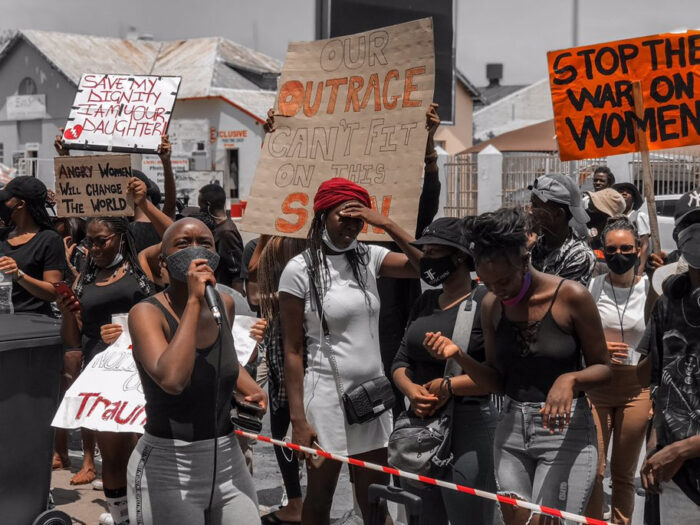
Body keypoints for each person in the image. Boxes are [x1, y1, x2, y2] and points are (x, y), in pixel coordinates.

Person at [424, 207, 612, 525]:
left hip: (565, 433)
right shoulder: (491, 306)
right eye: (487, 282)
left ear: (524, 261)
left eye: (505, 280)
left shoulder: (572, 297)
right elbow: (498, 381)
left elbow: (604, 369)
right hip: (510, 433)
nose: (498, 290)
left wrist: (569, 380)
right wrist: (459, 356)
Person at [279, 178, 422, 525]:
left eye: (359, 219)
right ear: (322, 215)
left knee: (374, 498)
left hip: (370, 397)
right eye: (344, 217)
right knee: (321, 495)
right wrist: (298, 419)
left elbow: (427, 267)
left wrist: (385, 223)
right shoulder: (299, 270)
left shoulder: (370, 257)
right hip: (325, 398)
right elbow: (293, 350)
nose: (352, 227)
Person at [126, 218, 265, 525]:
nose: (196, 250)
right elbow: (172, 379)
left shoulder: (224, 304)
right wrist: (193, 300)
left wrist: (251, 391)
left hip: (227, 458)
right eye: (183, 244)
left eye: (205, 243)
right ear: (164, 263)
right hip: (168, 466)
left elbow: (221, 359)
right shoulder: (146, 313)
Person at [56, 178, 169, 525]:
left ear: (122, 236)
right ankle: (121, 517)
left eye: (102, 240)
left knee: (144, 453)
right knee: (113, 457)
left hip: (143, 373)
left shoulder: (143, 267)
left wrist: (144, 205)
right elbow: (73, 336)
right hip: (103, 377)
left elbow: (174, 236)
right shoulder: (83, 280)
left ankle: (148, 515)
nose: (95, 248)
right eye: (89, 242)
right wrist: (67, 311)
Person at [391, 217, 498, 525]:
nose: (426, 261)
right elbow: (400, 363)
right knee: (423, 517)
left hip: (468, 424)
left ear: (461, 257)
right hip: (421, 424)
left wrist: (448, 386)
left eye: (435, 252)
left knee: (469, 516)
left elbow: (494, 378)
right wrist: (412, 391)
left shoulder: (485, 303)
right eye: (424, 252)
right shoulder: (425, 300)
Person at [584, 217, 652, 524]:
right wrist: (600, 348)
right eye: (612, 249)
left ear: (639, 249)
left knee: (623, 474)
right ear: (602, 251)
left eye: (627, 248)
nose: (620, 255)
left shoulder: (652, 290)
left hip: (636, 389)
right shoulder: (592, 286)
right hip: (598, 386)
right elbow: (580, 335)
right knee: (594, 472)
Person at [639, 194, 700, 523]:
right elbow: (660, 384)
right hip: (673, 477)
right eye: (691, 225)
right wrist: (655, 446)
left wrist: (682, 449)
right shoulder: (669, 303)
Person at [258, 236, 308, 525]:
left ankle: (305, 503)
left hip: (305, 353)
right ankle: (296, 501)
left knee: (311, 433)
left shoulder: (318, 250)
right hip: (280, 350)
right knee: (281, 432)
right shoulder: (275, 245)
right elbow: (255, 274)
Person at [0, 176, 65, 315]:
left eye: (6, 199)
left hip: (31, 323)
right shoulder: (2, 235)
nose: (2, 203)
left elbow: (53, 292)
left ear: (21, 204)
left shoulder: (49, 239)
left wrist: (18, 275)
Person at [529, 173, 596, 286]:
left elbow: (553, 298)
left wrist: (523, 256)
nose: (530, 211)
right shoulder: (536, 245)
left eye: (536, 206)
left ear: (558, 214)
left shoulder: (579, 255)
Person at [198, 183, 244, 294]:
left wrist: (235, 303)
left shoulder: (226, 232)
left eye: (201, 207)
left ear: (208, 206)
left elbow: (236, 272)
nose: (200, 211)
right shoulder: (217, 228)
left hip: (225, 294)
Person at [613, 183, 651, 276]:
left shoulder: (638, 216)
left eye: (628, 192)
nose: (624, 193)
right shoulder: (614, 217)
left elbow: (644, 244)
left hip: (634, 262)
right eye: (621, 192)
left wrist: (641, 267)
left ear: (633, 199)